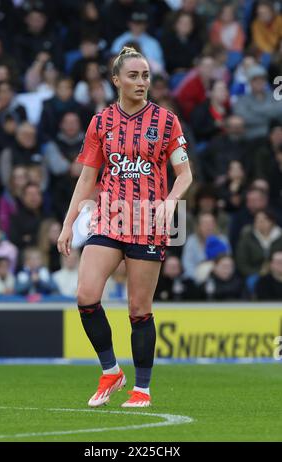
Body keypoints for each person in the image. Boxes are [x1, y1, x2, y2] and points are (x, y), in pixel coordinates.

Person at [57, 46, 192, 408]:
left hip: (148, 223)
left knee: (138, 309)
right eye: (133, 75)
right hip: (108, 219)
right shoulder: (100, 122)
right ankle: (111, 371)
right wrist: (68, 225)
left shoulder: (166, 122)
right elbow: (87, 179)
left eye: (146, 75)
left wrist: (169, 203)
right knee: (86, 295)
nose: (141, 82)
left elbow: (185, 175)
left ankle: (142, 390)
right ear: (116, 80)